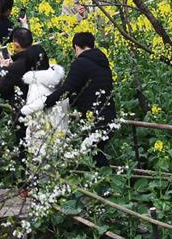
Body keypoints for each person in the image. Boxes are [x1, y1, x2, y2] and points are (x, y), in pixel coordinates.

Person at [44, 32, 117, 167]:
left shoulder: (81, 63)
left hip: (96, 118)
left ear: (76, 47)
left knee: (90, 153)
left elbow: (67, 89)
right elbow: (88, 88)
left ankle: (107, 183)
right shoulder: (102, 62)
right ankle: (105, 183)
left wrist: (45, 102)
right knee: (95, 154)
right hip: (108, 115)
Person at [0, 27, 50, 148]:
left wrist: (4, 68)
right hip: (42, 103)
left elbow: (3, 89)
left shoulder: (19, 65)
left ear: (16, 44)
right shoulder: (39, 52)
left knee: (24, 142)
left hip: (24, 108)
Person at [20, 64, 67, 162]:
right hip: (57, 129)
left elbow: (32, 108)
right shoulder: (61, 88)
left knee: (36, 157)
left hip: (39, 127)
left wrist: (24, 110)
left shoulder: (36, 84)